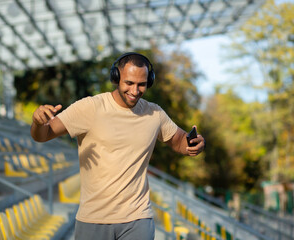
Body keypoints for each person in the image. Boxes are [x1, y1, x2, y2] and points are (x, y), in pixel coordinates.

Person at [31, 52, 205, 240]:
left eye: (141, 84)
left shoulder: (155, 113)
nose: (135, 90)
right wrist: (38, 123)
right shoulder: (90, 107)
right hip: (93, 218)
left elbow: (179, 141)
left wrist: (193, 145)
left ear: (149, 82)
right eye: (129, 83)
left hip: (138, 217)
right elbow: (44, 135)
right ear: (116, 78)